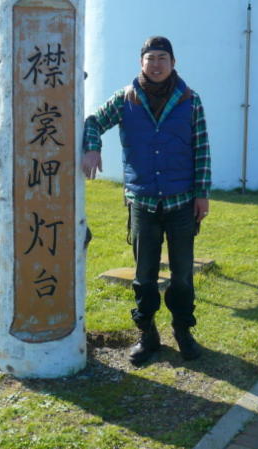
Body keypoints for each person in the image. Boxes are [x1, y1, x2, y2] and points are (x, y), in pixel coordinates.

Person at [82, 36, 211, 365]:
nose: (156, 64)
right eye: (150, 58)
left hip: (182, 203)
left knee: (182, 275)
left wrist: (202, 194)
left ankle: (183, 330)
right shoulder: (126, 98)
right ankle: (147, 334)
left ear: (173, 63)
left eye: (162, 58)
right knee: (144, 275)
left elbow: (201, 149)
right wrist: (92, 147)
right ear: (141, 63)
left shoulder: (190, 100)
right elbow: (93, 122)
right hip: (142, 202)